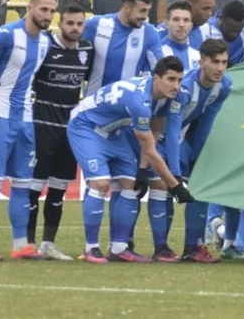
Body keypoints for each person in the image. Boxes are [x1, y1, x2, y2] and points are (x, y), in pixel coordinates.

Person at [67, 57, 194, 263]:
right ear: (156, 78)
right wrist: (175, 186)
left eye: (179, 80)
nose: (176, 86)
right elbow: (150, 150)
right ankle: (91, 248)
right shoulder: (140, 101)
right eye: (171, 79)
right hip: (86, 126)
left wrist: (142, 169)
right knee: (101, 183)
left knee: (131, 185)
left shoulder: (164, 96)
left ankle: (119, 248)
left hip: (115, 132)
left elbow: (154, 131)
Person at [0, 0, 57, 261]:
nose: (48, 15)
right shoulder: (6, 34)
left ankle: (20, 245)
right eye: (43, 9)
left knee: (23, 184)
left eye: (52, 11)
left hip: (25, 121)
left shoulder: (45, 42)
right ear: (29, 8)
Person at [26, 4, 94, 260]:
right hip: (41, 127)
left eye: (79, 24)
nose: (75, 28)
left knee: (58, 190)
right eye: (70, 23)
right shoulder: (45, 46)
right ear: (60, 23)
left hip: (69, 131)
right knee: (33, 189)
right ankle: (28, 245)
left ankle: (48, 245)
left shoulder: (87, 50)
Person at [177, 39, 233, 263]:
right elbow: (170, 126)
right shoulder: (185, 87)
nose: (220, 68)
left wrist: (197, 158)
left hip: (185, 137)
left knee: (199, 188)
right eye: (215, 62)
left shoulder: (224, 85)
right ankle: (157, 248)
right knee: (160, 187)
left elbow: (207, 123)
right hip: (164, 136)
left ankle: (193, 247)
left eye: (224, 62)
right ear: (201, 62)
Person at [81, 0, 164, 96]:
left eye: (148, 11)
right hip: (93, 101)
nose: (145, 16)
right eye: (142, 10)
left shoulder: (149, 32)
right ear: (126, 8)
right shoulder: (96, 24)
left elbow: (159, 68)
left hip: (125, 103)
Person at [209, 0, 244, 67]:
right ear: (221, 19)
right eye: (231, 30)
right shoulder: (207, 29)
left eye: (239, 31)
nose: (235, 35)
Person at [158, 1, 201, 70]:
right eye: (176, 19)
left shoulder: (198, 56)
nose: (181, 24)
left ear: (191, 25)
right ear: (166, 23)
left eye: (186, 20)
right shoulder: (158, 52)